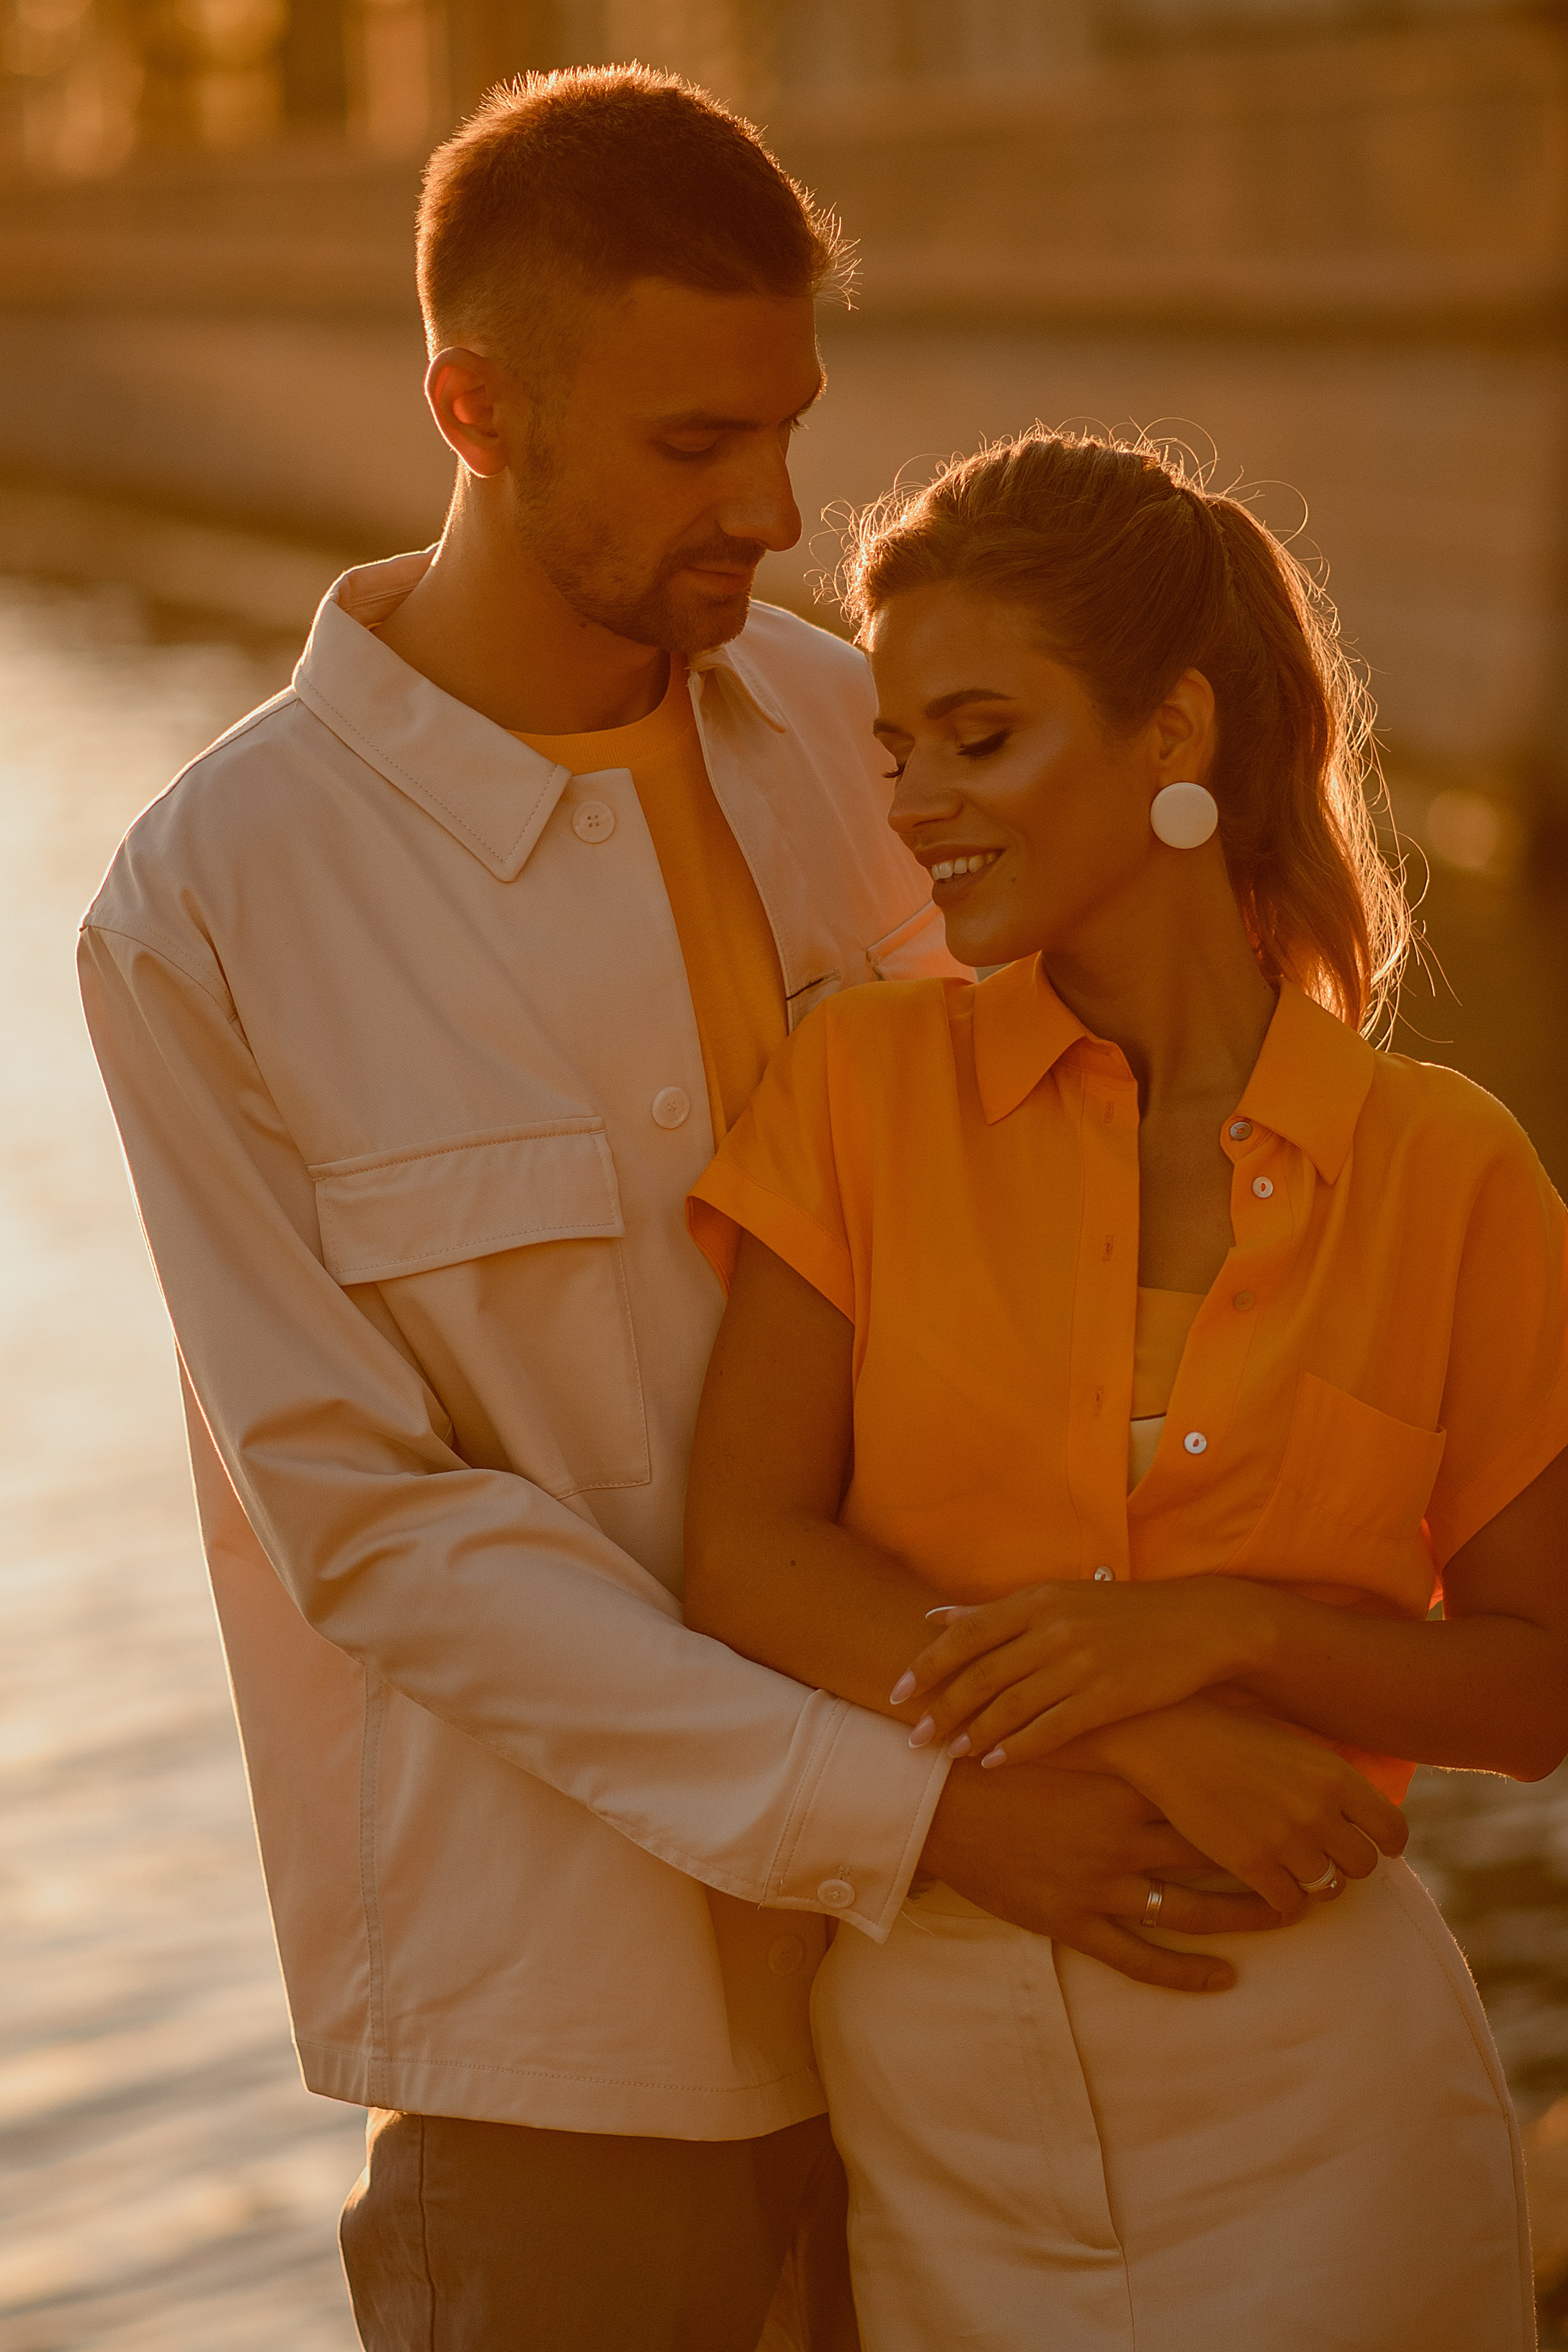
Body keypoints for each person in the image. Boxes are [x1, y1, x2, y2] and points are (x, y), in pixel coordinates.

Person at [77, 77, 1314, 2352]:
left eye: (788, 426)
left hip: (986, 2007)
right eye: (689, 448)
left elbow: (1101, 1220)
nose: (773, 505)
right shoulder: (212, 909)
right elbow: (377, 1527)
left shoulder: (866, 745)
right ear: (473, 407)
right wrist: (920, 1813)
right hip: (579, 2068)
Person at [685, 428, 1568, 2349]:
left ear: (1172, 736)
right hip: (943, 2094)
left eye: (978, 739)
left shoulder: (1447, 1165)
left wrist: (1214, 1635)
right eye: (897, 748)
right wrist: (1124, 1722)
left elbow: (1533, 1683)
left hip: (1329, 2091)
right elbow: (743, 1556)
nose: (915, 805)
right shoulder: (858, 1089)